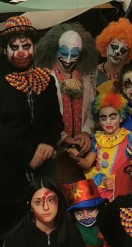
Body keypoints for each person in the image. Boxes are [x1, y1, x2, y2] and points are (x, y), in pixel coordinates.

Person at [0, 15, 63, 246]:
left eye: (26, 46)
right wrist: (28, 154)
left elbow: (55, 120)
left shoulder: (46, 79)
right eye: (15, 47)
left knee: (32, 240)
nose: (21, 52)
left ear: (35, 47)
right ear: (5, 49)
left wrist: (48, 143)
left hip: (32, 178)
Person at [34, 23, 98, 182]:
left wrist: (85, 133)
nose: (68, 60)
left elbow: (90, 112)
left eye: (74, 55)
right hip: (54, 154)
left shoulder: (85, 81)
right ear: (55, 51)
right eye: (64, 53)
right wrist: (63, 137)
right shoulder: (45, 79)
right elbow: (43, 117)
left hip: (80, 155)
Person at [69, 91, 132, 201]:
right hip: (99, 188)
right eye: (103, 118)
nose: (108, 122)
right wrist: (77, 158)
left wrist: (118, 183)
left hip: (120, 190)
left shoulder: (129, 138)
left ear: (121, 117)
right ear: (99, 121)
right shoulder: (98, 139)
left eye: (113, 117)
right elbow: (87, 163)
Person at [94, 19, 132, 97]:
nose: (117, 52)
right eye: (115, 46)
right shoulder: (93, 75)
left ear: (129, 53)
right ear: (106, 46)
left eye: (123, 50)